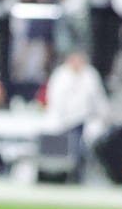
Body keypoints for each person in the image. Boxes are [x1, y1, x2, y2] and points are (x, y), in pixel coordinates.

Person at [43, 48, 109, 181]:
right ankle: (58, 176)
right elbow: (55, 98)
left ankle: (78, 175)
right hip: (62, 120)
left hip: (82, 120)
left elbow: (98, 97)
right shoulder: (61, 75)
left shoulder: (90, 74)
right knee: (62, 152)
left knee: (81, 150)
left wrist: (105, 114)